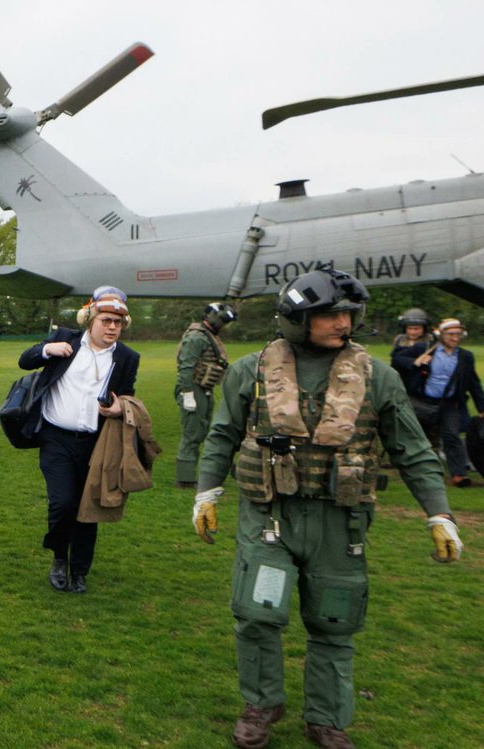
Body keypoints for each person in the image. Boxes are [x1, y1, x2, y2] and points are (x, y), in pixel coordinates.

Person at [190, 268, 463, 749]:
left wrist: (439, 514)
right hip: (270, 517)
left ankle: (327, 718)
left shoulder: (378, 377)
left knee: (335, 622)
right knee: (258, 612)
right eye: (331, 315)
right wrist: (206, 493)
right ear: (297, 319)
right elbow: (222, 436)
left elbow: (413, 451)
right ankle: (261, 704)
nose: (344, 323)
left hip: (340, 522)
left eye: (349, 314)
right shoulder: (251, 371)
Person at [18, 285, 139, 594]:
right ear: (90, 319)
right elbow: (25, 360)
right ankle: (60, 558)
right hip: (56, 438)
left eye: (118, 322)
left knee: (88, 510)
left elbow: (127, 396)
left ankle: (80, 571)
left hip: (97, 443)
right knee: (62, 503)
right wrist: (48, 350)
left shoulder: (127, 357)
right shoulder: (65, 340)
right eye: (106, 321)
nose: (112, 327)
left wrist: (119, 408)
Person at [408, 318, 484, 487]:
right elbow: (397, 357)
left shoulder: (465, 356)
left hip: (449, 404)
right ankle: (415, 470)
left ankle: (459, 475)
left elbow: (473, 383)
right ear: (441, 334)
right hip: (422, 402)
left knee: (452, 436)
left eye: (458, 334)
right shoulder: (425, 349)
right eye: (451, 334)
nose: (455, 338)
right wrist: (415, 362)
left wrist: (482, 408)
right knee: (416, 435)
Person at [174, 301, 237, 488]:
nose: (224, 326)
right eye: (223, 321)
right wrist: (188, 394)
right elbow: (186, 368)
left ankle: (198, 473)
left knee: (202, 431)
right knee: (192, 434)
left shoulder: (208, 335)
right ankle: (185, 479)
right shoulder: (197, 337)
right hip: (193, 389)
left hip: (203, 389)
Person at [389, 308, 440, 447]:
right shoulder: (400, 340)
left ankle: (433, 443)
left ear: (424, 328)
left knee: (426, 414)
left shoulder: (430, 341)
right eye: (409, 328)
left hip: (421, 381)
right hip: (402, 378)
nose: (412, 332)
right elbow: (395, 359)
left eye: (416, 329)